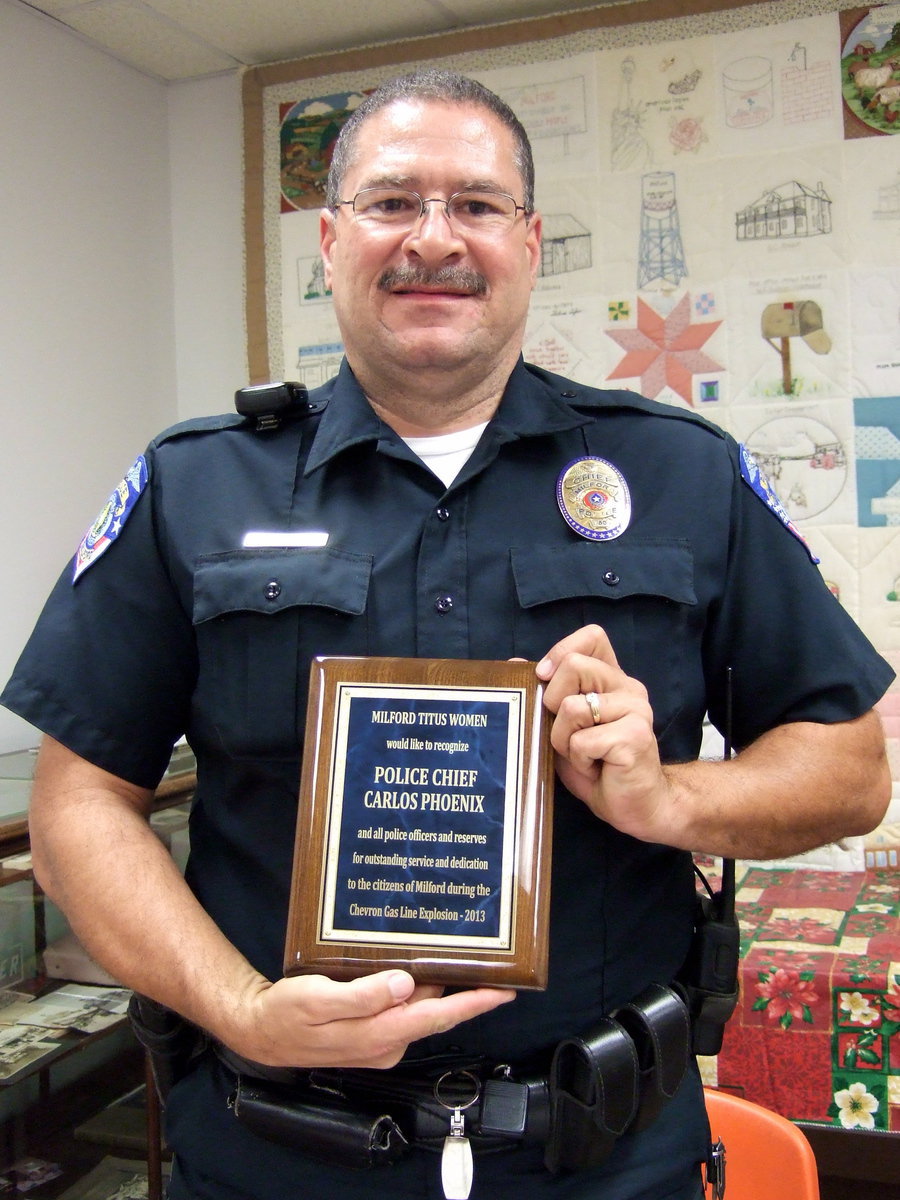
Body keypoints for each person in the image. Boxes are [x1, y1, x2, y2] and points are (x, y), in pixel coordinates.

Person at [1, 69, 893, 1200]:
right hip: (272, 1153)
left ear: (528, 241)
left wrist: (668, 798)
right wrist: (242, 1011)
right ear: (328, 240)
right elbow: (79, 799)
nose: (435, 238)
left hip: (605, 1157)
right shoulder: (193, 486)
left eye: (475, 204)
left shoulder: (681, 474)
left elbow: (851, 764)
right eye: (391, 202)